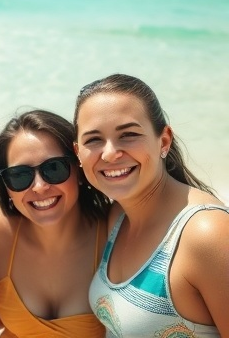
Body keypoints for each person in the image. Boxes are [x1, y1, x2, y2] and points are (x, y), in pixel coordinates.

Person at [73, 73, 229, 337]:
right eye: (94, 140)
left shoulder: (206, 233)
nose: (110, 153)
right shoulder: (117, 217)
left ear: (164, 141)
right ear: (78, 153)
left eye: (129, 134)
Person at [0, 109, 110, 337]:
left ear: (79, 169)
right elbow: (0, 308)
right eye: (20, 175)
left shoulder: (116, 231)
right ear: (7, 187)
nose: (40, 187)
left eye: (54, 168)